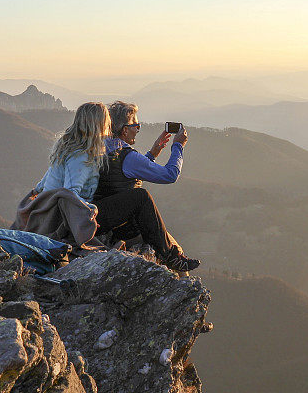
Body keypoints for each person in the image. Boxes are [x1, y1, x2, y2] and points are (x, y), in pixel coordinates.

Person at [33, 101, 200, 272]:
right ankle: (171, 257)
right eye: (136, 125)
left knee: (140, 202)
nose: (138, 129)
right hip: (99, 219)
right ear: (125, 129)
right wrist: (178, 146)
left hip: (101, 212)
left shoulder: (94, 146)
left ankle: (171, 255)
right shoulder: (123, 155)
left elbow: (120, 175)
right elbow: (169, 175)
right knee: (142, 197)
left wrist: (153, 153)